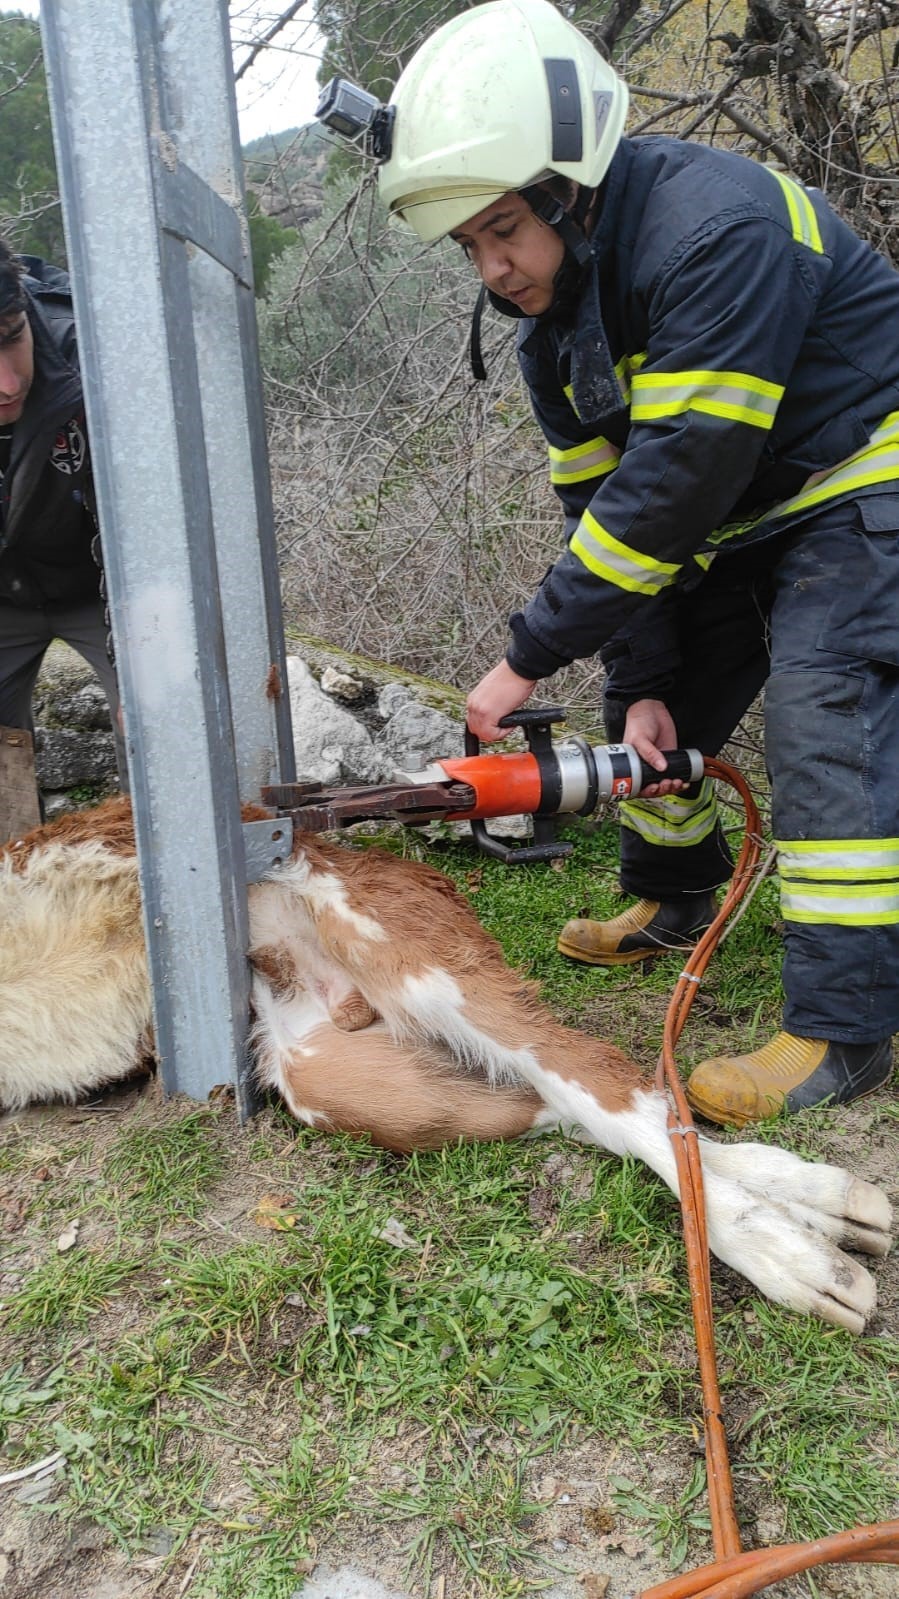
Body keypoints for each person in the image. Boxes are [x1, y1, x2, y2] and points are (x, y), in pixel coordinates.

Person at [369, 0, 899, 1126]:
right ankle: (671, 895)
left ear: (570, 188)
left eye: (504, 230)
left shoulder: (717, 230)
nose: (493, 268)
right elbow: (602, 513)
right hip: (735, 518)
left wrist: (525, 656)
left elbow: (680, 472)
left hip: (860, 481)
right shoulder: (552, 332)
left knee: (821, 713)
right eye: (468, 246)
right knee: (646, 709)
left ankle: (841, 1029)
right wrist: (646, 670)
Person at [0, 237, 127, 800]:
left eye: (13, 338)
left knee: (162, 726)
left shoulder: (94, 352)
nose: (8, 383)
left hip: (104, 586)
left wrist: (148, 664)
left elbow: (159, 530)